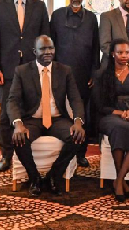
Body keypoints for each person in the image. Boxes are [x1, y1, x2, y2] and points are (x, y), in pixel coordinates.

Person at [7, 35, 85, 196]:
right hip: (32, 119)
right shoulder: (22, 71)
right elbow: (12, 100)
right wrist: (18, 124)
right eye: (43, 49)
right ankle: (34, 178)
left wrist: (78, 121)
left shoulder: (64, 70)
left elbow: (75, 98)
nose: (48, 52)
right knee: (19, 139)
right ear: (35, 51)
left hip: (57, 119)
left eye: (51, 48)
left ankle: (53, 176)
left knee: (77, 136)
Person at [0, 0, 50, 172]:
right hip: (6, 70)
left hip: (33, 69)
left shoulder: (39, 7)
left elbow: (45, 39)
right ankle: (6, 154)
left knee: (31, 111)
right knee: (7, 114)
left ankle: (27, 152)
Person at [93, 38, 129, 202]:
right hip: (111, 115)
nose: (124, 55)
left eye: (126, 52)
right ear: (112, 54)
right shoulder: (103, 74)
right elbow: (100, 106)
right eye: (120, 52)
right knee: (118, 128)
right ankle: (121, 181)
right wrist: (120, 113)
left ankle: (119, 180)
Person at [50, 0, 100, 168]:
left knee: (83, 113)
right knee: (63, 112)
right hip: (60, 75)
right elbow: (51, 45)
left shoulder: (92, 19)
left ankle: (81, 153)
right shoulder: (56, 16)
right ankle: (65, 150)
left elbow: (96, 49)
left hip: (83, 74)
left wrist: (94, 73)